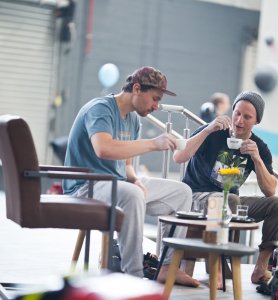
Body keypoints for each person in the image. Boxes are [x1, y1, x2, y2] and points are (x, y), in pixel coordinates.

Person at [63, 66, 199, 286]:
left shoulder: (133, 120)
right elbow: (103, 149)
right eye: (154, 99)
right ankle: (133, 277)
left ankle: (166, 267)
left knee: (182, 193)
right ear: (137, 88)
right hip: (86, 185)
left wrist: (135, 179)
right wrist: (153, 144)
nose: (156, 106)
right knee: (133, 195)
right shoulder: (100, 109)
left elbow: (125, 166)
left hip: (118, 185)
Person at [173, 90, 278, 286]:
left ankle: (260, 268)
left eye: (247, 117)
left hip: (230, 202)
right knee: (229, 200)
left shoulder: (259, 147)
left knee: (275, 204)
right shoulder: (212, 131)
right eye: (237, 113)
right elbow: (179, 157)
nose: (239, 120)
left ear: (256, 121)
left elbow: (270, 190)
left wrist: (256, 160)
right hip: (197, 198)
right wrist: (207, 130)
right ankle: (218, 268)